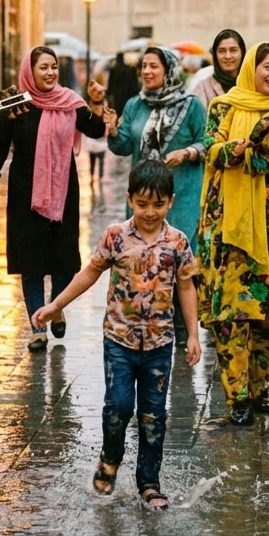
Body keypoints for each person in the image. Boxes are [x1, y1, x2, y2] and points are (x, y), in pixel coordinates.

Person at [33, 159, 201, 510]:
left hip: (159, 344)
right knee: (119, 406)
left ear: (170, 201)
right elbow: (89, 273)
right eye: (142, 204)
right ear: (129, 200)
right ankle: (110, 458)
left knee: (153, 415)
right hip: (119, 342)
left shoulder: (178, 242)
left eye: (157, 204)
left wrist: (194, 335)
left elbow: (186, 287)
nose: (150, 212)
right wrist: (55, 306)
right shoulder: (116, 236)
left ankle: (149, 482)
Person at [196, 42, 269, 424]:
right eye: (268, 66)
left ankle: (261, 390)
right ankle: (237, 397)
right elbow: (213, 152)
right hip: (227, 219)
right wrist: (256, 147)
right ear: (253, 67)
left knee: (268, 311)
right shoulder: (223, 107)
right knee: (232, 311)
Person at [0, 46, 112, 352]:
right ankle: (37, 326)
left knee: (63, 260)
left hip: (64, 191)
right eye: (43, 68)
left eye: (54, 67)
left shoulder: (70, 103)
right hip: (26, 193)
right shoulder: (17, 106)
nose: (50, 73)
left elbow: (95, 130)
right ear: (30, 70)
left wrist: (97, 101)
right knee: (32, 262)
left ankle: (56, 306)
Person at [107, 46, 206, 344]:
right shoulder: (135, 105)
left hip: (182, 196)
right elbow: (125, 146)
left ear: (169, 70)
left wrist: (187, 152)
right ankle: (145, 323)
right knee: (143, 259)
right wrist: (113, 131)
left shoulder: (192, 106)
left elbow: (207, 142)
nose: (147, 72)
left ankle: (181, 329)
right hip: (145, 198)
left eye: (154, 66)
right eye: (145, 67)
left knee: (178, 263)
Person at [191, 29, 247, 109]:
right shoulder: (203, 88)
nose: (228, 56)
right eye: (222, 51)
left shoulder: (252, 85)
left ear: (242, 53)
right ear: (215, 55)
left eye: (233, 50)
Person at [106, 52, 141, 118]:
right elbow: (135, 86)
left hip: (117, 97)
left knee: (119, 114)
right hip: (128, 96)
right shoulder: (130, 69)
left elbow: (110, 86)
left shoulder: (114, 70)